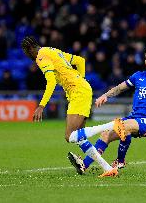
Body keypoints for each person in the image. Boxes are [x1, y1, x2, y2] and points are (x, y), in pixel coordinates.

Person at [21, 36, 121, 177]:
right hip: (82, 88)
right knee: (79, 137)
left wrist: (41, 105)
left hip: (78, 92)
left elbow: (51, 82)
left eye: (26, 52)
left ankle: (112, 125)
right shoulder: (53, 51)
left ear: (29, 49)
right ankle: (108, 168)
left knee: (69, 136)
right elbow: (80, 61)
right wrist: (81, 80)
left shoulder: (41, 57)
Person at [68, 48, 146, 174]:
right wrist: (105, 96)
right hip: (134, 117)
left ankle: (120, 161)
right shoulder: (138, 76)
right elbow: (120, 88)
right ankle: (84, 165)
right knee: (105, 134)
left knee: (123, 127)